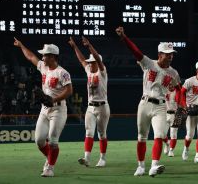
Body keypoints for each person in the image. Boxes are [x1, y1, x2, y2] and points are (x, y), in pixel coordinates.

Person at [116, 27, 180, 177]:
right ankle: (141, 166)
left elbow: (178, 86)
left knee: (159, 135)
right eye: (167, 54)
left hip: (161, 106)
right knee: (141, 137)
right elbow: (135, 51)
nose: (171, 56)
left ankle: (154, 166)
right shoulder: (149, 63)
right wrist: (124, 38)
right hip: (144, 104)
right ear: (160, 54)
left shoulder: (174, 72)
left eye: (172, 54)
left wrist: (181, 102)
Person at [14, 38, 73, 177]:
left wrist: (54, 99)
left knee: (53, 140)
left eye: (45, 55)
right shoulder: (43, 67)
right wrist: (21, 45)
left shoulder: (62, 72)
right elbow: (30, 56)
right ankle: (50, 158)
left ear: (52, 57)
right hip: (45, 109)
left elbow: (69, 90)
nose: (42, 56)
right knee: (39, 140)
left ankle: (50, 167)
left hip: (58, 109)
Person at [69, 36, 110, 167]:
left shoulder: (102, 72)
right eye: (90, 62)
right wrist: (75, 46)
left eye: (93, 62)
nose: (90, 64)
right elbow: (81, 59)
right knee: (89, 132)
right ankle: (87, 157)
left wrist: (89, 46)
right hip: (90, 107)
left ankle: (102, 158)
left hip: (103, 107)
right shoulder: (89, 71)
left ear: (98, 63)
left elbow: (97, 57)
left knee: (102, 133)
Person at [180, 60, 198, 163]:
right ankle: (186, 149)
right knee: (190, 135)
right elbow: (181, 93)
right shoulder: (190, 81)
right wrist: (184, 106)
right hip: (191, 109)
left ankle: (197, 156)